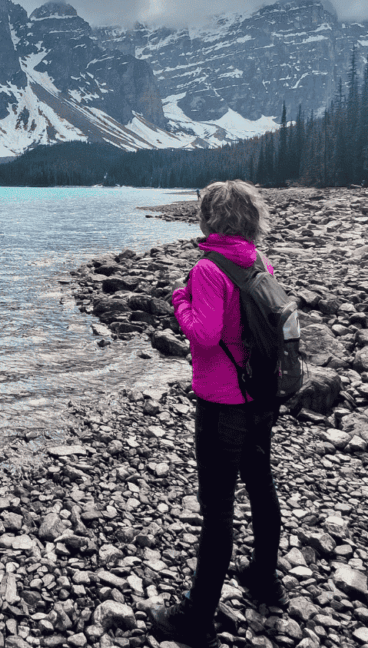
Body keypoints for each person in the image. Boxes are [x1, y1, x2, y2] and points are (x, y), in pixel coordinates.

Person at [148, 180, 288, 648]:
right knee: (261, 484)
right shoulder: (260, 261)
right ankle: (265, 579)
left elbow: (204, 335)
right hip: (259, 399)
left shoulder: (209, 268)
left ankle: (197, 615)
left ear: (210, 217)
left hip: (223, 403)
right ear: (251, 218)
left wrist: (179, 300)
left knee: (217, 509)